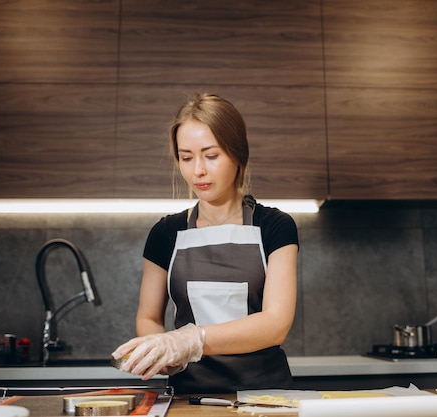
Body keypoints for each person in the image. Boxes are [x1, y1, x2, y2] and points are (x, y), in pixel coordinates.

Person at [111, 93, 299, 394]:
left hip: (265, 397)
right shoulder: (165, 233)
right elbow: (148, 317)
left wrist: (191, 339)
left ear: (237, 154)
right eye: (186, 157)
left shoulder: (274, 227)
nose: (197, 170)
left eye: (211, 156)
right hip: (189, 397)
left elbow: (276, 324)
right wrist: (162, 349)